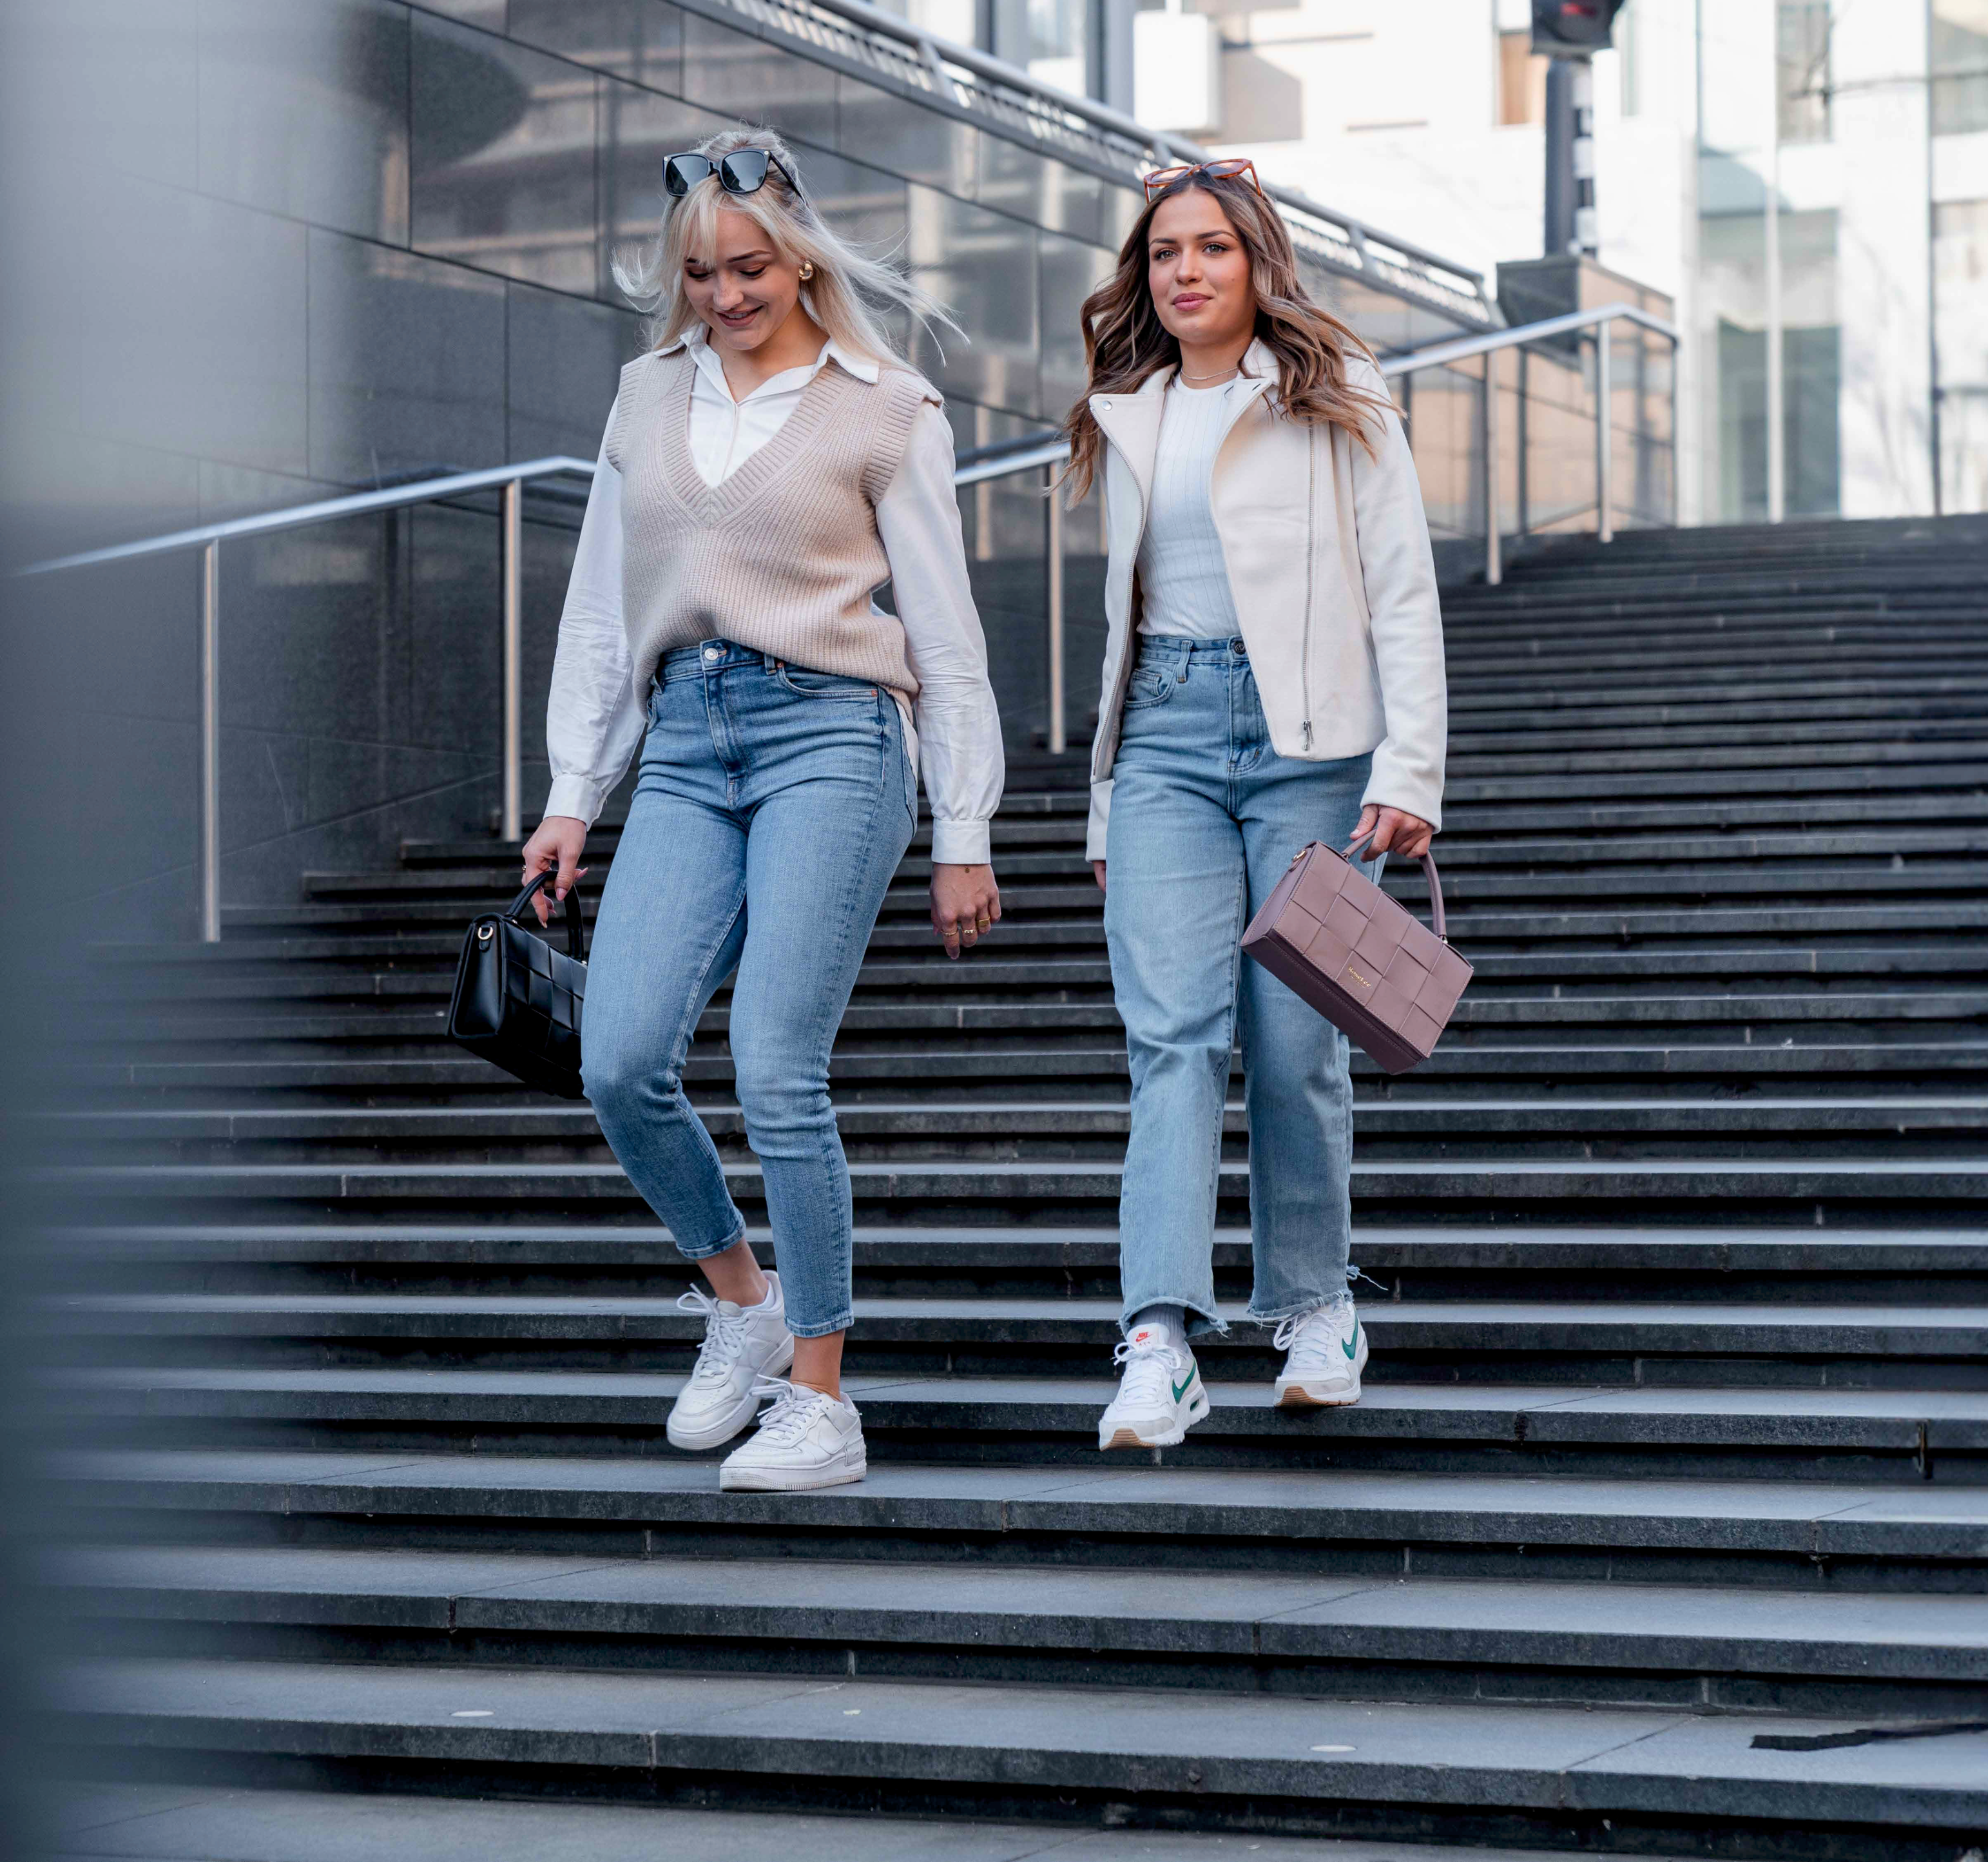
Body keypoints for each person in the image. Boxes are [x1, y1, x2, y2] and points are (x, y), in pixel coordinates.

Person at [521, 126, 1004, 1493]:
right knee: (618, 1057)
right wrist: (575, 789)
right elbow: (605, 606)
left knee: (778, 1064)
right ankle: (737, 1297)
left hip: (834, 735)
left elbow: (946, 632)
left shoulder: (885, 405)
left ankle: (819, 1392)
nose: (724, 297)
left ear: (799, 253)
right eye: (698, 274)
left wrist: (963, 826)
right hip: (683, 741)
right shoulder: (643, 395)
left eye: (747, 268)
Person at [1064, 157, 1446, 1451]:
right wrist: (1106, 802)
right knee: (1171, 1039)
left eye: (1211, 247)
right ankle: (1158, 1338)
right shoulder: (1130, 411)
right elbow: (1117, 627)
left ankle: (1314, 1305)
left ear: (1256, 260)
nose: (1185, 270)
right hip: (1163, 735)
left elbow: (1400, 588)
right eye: (1165, 251)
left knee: (1294, 1042)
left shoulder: (1335, 396)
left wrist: (1410, 771)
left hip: (1313, 747)